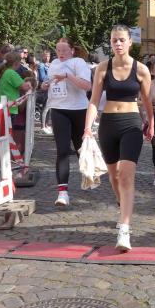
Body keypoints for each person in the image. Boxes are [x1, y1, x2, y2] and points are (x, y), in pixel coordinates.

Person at [84, 25, 153, 251]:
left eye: (122, 40)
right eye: (114, 40)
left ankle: (124, 229)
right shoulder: (102, 68)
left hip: (131, 124)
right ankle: (121, 204)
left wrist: (151, 122)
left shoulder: (141, 69)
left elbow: (147, 100)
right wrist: (87, 128)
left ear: (130, 42)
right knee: (113, 176)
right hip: (108, 125)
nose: (118, 44)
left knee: (125, 175)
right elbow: (94, 100)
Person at [40, 38, 92, 208]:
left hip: (78, 110)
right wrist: (45, 85)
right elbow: (52, 83)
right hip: (58, 109)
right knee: (62, 150)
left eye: (64, 50)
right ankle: (62, 193)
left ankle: (88, 173)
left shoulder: (78, 63)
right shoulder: (54, 64)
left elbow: (87, 86)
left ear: (72, 50)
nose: (61, 54)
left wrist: (68, 76)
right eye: (58, 50)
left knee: (80, 148)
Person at [0, 52, 34, 155]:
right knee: (7, 135)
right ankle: (6, 156)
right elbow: (24, 86)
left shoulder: (4, 72)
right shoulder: (11, 73)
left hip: (2, 106)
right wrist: (30, 83)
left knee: (2, 134)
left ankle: (3, 156)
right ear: (16, 63)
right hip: (10, 108)